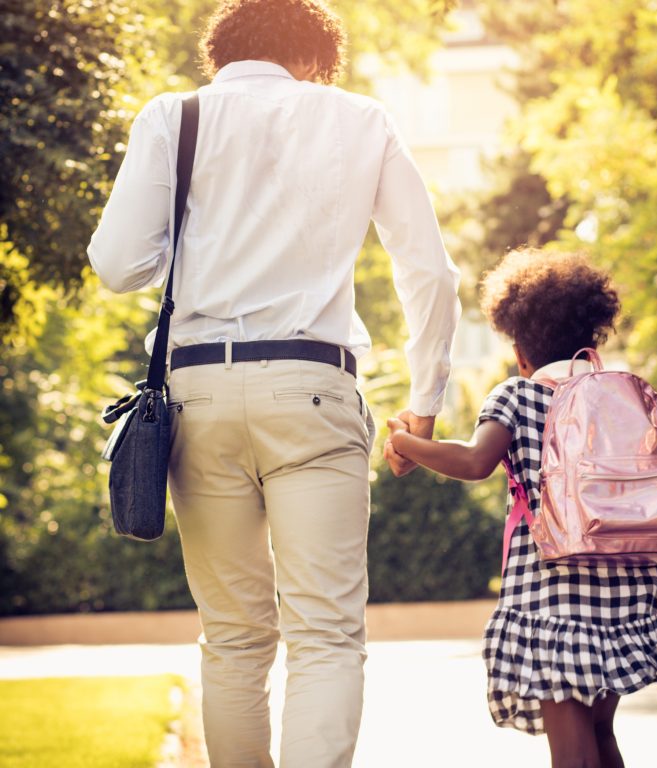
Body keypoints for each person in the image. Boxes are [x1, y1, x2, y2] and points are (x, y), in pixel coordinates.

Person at [87, 1, 461, 765]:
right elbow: (428, 270)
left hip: (199, 394)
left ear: (220, 51)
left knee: (231, 636)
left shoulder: (173, 116)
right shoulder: (361, 119)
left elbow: (116, 264)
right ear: (315, 59)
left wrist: (204, 258)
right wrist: (423, 401)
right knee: (325, 632)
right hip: (313, 388)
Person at [385, 249, 657, 768]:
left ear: (521, 350)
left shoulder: (519, 396)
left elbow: (475, 460)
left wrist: (405, 443)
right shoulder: (634, 397)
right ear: (592, 336)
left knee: (571, 747)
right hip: (626, 594)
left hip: (555, 597)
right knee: (601, 733)